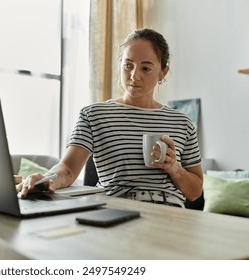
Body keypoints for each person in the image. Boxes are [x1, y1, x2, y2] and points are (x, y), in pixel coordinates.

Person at [17, 28, 203, 208]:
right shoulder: (93, 115)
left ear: (163, 72)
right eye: (128, 65)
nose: (134, 76)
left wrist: (174, 168)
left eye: (145, 68)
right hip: (117, 208)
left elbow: (195, 192)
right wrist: (46, 180)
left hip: (170, 213)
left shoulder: (182, 123)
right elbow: (67, 169)